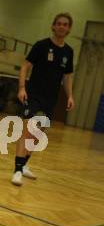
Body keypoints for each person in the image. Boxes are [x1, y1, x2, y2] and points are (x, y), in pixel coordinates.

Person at [12, 12, 75, 186]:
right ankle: (17, 170)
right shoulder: (41, 45)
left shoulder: (68, 52)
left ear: (69, 28)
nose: (62, 26)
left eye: (65, 24)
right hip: (33, 94)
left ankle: (23, 166)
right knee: (27, 131)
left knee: (38, 134)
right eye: (59, 23)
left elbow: (68, 76)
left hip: (50, 99)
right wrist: (22, 87)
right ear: (53, 26)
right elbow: (25, 66)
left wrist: (70, 95)